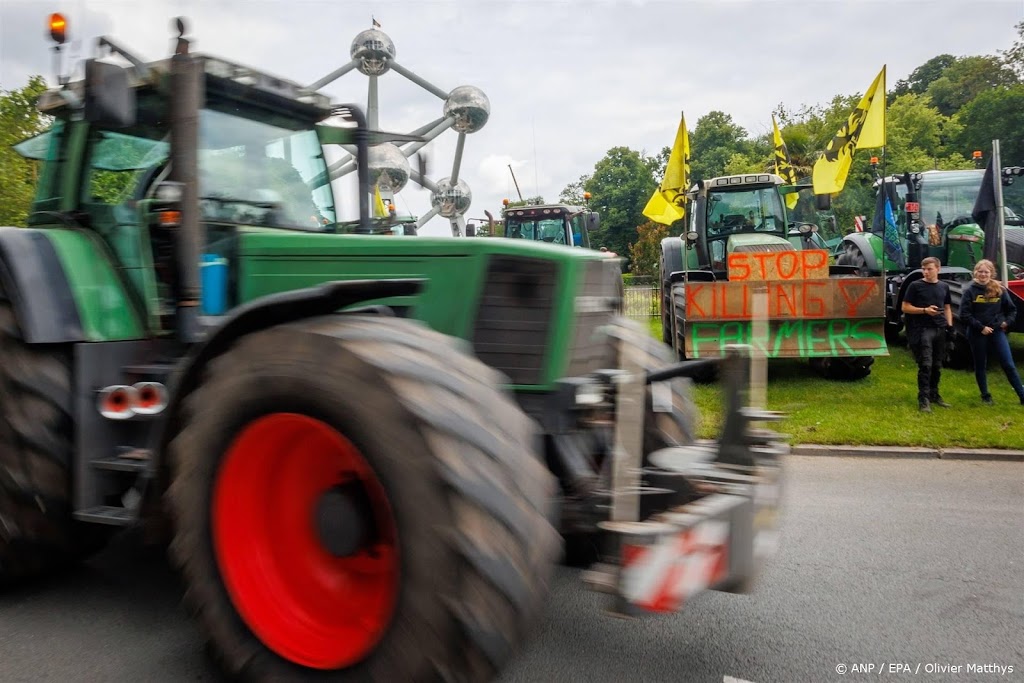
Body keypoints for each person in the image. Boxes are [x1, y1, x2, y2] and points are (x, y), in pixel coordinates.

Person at [958, 259, 1024, 406]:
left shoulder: (999, 289)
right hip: (977, 332)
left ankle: (1022, 395)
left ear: (991, 273)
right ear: (975, 272)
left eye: (986, 272)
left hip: (997, 331)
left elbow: (1011, 309)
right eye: (980, 271)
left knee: (1008, 363)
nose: (983, 274)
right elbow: (964, 314)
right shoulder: (970, 290)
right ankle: (985, 395)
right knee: (981, 365)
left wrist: (1007, 322)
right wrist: (981, 327)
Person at [901, 257, 953, 412]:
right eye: (924, 269)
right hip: (922, 329)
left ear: (938, 269)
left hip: (940, 329)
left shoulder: (944, 286)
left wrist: (950, 327)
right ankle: (923, 399)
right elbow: (905, 307)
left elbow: (947, 307)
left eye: (929, 269)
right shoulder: (915, 286)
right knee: (926, 365)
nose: (926, 272)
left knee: (937, 364)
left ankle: (934, 394)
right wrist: (924, 310)